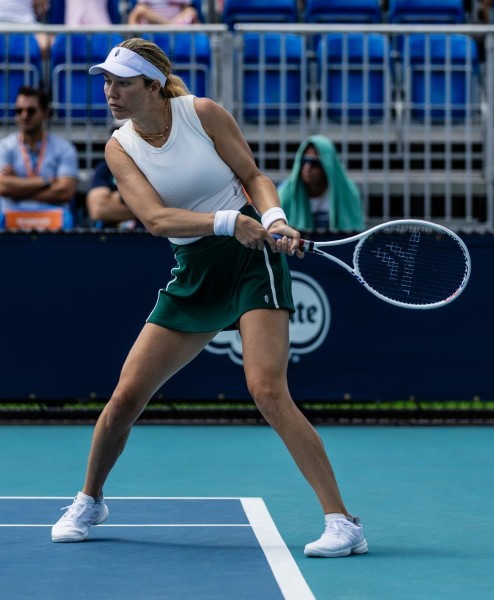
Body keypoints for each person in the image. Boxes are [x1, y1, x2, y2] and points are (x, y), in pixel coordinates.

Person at [50, 37, 368, 558]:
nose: (110, 92)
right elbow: (155, 219)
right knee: (126, 397)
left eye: (122, 83)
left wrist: (274, 218)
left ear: (152, 86)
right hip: (195, 267)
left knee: (267, 389)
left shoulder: (201, 113)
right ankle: (90, 499)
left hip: (251, 262)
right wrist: (227, 223)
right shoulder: (118, 146)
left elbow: (253, 176)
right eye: (106, 82)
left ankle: (342, 521)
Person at [0, 86, 79, 229]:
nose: (24, 115)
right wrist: (45, 181)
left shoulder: (64, 148)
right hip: (11, 217)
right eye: (19, 111)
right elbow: (2, 186)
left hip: (53, 217)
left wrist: (17, 188)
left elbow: (65, 192)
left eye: (31, 110)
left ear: (45, 113)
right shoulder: (4, 147)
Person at [278, 134, 365, 233]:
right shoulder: (285, 194)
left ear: (328, 166)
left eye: (314, 163)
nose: (307, 168)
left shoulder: (348, 192)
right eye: (303, 161)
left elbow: (355, 234)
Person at [128, 0, 199, 25]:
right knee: (139, 10)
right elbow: (140, 9)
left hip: (177, 25)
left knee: (191, 11)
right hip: (150, 25)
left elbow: (185, 8)